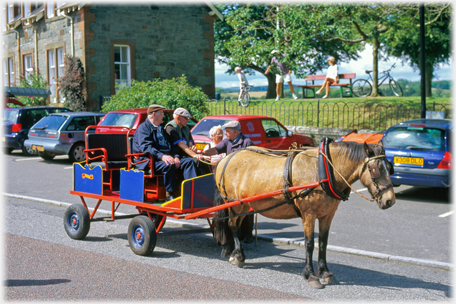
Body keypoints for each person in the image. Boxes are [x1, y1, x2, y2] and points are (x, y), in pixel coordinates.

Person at [201, 120, 255, 243]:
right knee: (231, 207)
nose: (225, 134)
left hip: (244, 180)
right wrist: (201, 153)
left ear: (235, 132)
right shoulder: (227, 142)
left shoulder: (247, 142)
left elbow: (252, 161)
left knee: (247, 206)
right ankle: (232, 232)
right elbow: (215, 150)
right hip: (231, 181)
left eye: (227, 131)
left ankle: (247, 234)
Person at [132, 104, 200, 202]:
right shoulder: (144, 128)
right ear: (154, 115)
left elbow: (172, 146)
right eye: (162, 113)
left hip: (164, 158)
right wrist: (162, 156)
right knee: (169, 164)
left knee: (189, 162)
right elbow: (146, 147)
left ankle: (192, 192)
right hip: (149, 160)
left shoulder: (161, 128)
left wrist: (176, 156)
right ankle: (170, 194)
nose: (164, 116)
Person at [164, 107, 205, 174]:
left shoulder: (186, 128)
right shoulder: (170, 128)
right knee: (195, 160)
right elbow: (180, 144)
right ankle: (194, 183)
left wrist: (193, 148)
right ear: (178, 118)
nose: (188, 120)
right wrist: (194, 155)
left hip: (185, 154)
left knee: (203, 160)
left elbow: (190, 142)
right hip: (176, 155)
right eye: (186, 118)